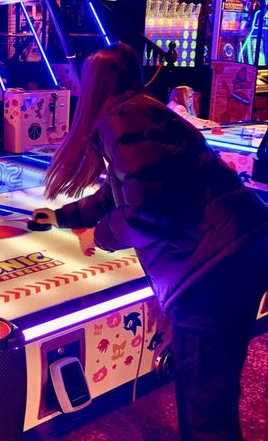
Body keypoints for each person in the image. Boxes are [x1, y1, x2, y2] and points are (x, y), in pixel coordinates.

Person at [31, 44, 267, 441]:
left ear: (92, 85)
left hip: (211, 268)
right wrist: (61, 217)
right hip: (237, 250)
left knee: (204, 397)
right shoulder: (139, 112)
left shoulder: (121, 120)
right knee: (215, 386)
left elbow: (148, 215)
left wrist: (99, 234)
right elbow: (119, 194)